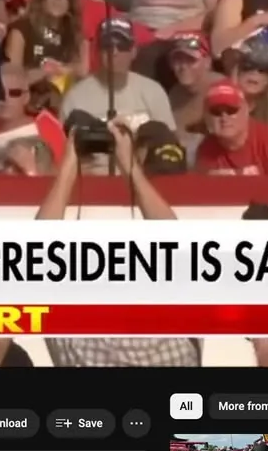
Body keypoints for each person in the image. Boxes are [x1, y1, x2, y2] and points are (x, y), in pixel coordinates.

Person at [36, 114, 198, 366]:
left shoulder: (83, 348)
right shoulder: (176, 345)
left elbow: (36, 248)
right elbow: (176, 242)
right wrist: (129, 164)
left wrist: (69, 164)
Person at [58, 17, 176, 174]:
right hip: (92, 183)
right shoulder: (75, 97)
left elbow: (170, 146)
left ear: (134, 51)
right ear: (97, 51)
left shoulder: (153, 91)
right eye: (107, 46)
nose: (114, 52)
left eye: (122, 46)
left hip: (143, 179)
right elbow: (60, 153)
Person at [3, 0, 87, 87]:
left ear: (71, 1)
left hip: (65, 101)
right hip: (28, 100)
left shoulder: (75, 33)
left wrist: (62, 70)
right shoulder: (21, 29)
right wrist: (44, 72)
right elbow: (10, 80)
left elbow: (83, 72)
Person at [193, 79, 268, 176]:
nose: (224, 118)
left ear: (246, 110)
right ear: (207, 117)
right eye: (216, 112)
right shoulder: (206, 151)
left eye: (231, 110)